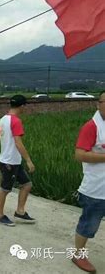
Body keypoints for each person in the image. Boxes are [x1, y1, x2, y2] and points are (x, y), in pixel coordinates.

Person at [0, 94, 36, 227]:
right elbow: (18, 142)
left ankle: (20, 211)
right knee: (5, 189)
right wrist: (28, 160)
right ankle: (0, 216)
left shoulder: (3, 119)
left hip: (13, 161)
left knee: (27, 184)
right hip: (9, 162)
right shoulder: (16, 121)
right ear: (22, 106)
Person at [70, 91, 105, 273]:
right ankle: (78, 254)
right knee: (89, 224)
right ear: (98, 104)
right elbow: (80, 154)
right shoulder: (91, 127)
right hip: (96, 189)